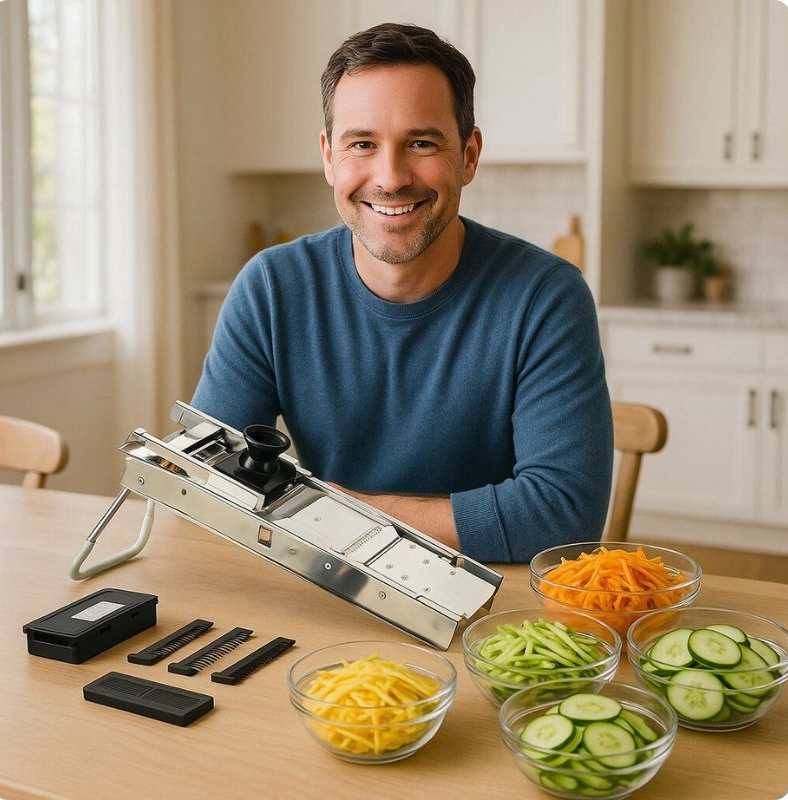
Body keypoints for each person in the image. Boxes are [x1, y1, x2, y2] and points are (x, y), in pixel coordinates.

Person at [192, 22, 613, 563]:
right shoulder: (272, 287)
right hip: (330, 585)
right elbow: (211, 481)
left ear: (469, 154)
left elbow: (563, 517)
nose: (390, 177)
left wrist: (332, 512)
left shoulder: (545, 296)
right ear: (328, 158)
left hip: (492, 608)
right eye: (361, 144)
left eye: (421, 142)